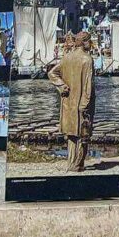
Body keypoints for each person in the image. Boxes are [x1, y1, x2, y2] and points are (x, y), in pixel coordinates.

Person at [46, 30, 96, 173]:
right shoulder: (87, 59)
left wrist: (62, 86)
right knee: (83, 134)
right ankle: (78, 165)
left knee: (72, 135)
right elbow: (88, 86)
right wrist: (85, 106)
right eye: (89, 41)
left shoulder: (67, 57)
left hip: (68, 103)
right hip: (82, 104)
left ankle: (71, 163)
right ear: (85, 42)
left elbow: (52, 73)